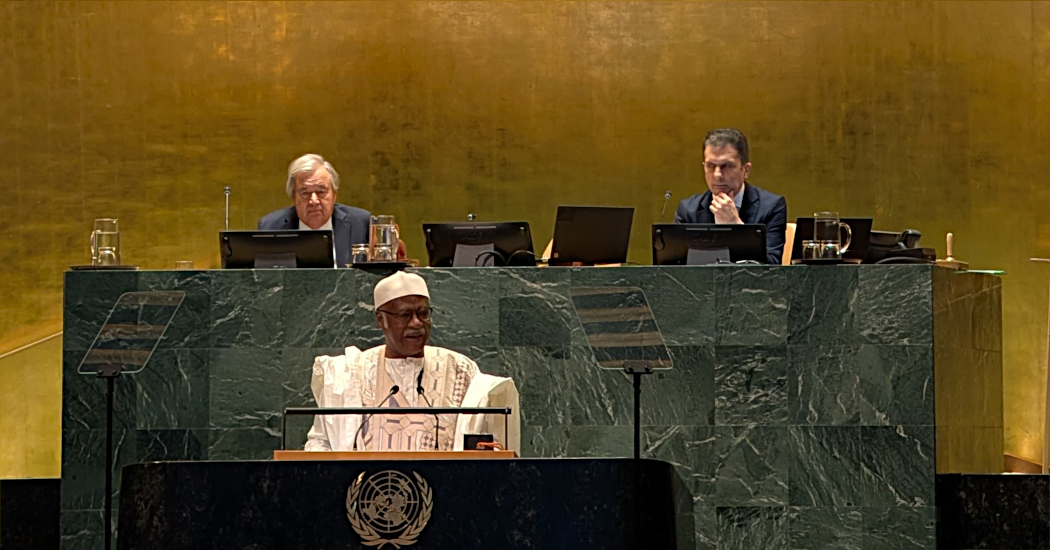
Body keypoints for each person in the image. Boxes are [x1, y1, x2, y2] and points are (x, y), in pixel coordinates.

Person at [305, 271, 520, 452]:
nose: (416, 323)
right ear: (381, 320)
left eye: (423, 313)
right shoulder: (349, 373)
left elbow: (487, 441)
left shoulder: (461, 369)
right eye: (405, 315)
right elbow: (320, 442)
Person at [259, 154, 404, 266]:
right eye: (305, 193)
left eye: (321, 192)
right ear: (293, 197)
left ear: (334, 195)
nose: (314, 201)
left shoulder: (360, 223)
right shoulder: (272, 227)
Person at [674, 128, 788, 264]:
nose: (717, 175)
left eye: (726, 166)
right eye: (710, 166)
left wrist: (736, 226)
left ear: (746, 170)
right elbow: (676, 268)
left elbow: (773, 266)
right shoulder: (688, 210)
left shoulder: (771, 207)